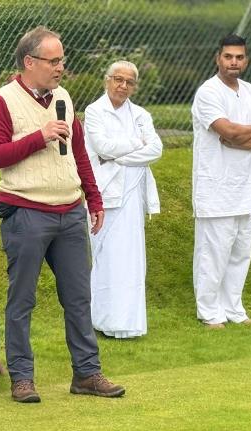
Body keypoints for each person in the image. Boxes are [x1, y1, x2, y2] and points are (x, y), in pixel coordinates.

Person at [0, 26, 125, 403]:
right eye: (54, 60)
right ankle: (22, 379)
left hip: (70, 212)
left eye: (62, 59)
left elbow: (79, 153)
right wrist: (38, 136)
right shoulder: (2, 101)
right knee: (22, 299)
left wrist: (93, 199)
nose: (61, 67)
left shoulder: (64, 97)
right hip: (26, 213)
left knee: (79, 298)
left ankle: (87, 374)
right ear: (30, 62)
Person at [191, 34, 251, 329]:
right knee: (213, 253)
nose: (234, 62)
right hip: (214, 188)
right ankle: (209, 311)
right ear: (218, 58)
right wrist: (250, 132)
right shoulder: (208, 92)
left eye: (239, 57)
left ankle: (234, 308)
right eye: (228, 57)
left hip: (244, 188)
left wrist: (240, 137)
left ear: (246, 60)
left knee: (240, 252)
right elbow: (225, 130)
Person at [84, 61, 163, 339]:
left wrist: (118, 156)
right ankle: (102, 320)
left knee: (131, 261)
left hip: (132, 196)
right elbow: (102, 148)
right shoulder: (94, 112)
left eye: (129, 82)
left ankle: (128, 323)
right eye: (118, 79)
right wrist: (136, 144)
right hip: (104, 195)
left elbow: (156, 149)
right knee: (107, 259)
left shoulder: (141, 115)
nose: (123, 86)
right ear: (107, 80)